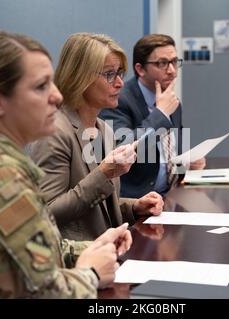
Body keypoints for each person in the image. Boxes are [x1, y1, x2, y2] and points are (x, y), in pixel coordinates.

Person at [0, 31, 132, 299]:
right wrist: (91, 274)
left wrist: (86, 250)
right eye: (40, 86)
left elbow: (16, 251)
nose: (57, 96)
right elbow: (44, 294)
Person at [28, 33, 163, 242]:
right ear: (80, 77)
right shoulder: (54, 132)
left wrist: (133, 207)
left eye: (120, 73)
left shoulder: (104, 129)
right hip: (74, 263)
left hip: (106, 254)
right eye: (109, 74)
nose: (120, 83)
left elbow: (98, 207)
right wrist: (103, 174)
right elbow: (47, 213)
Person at [100, 34, 205, 198]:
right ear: (140, 69)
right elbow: (122, 148)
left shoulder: (171, 100)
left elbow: (169, 152)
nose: (171, 71)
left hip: (173, 195)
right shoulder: (119, 100)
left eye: (174, 62)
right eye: (162, 63)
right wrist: (160, 114)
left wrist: (187, 163)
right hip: (136, 201)